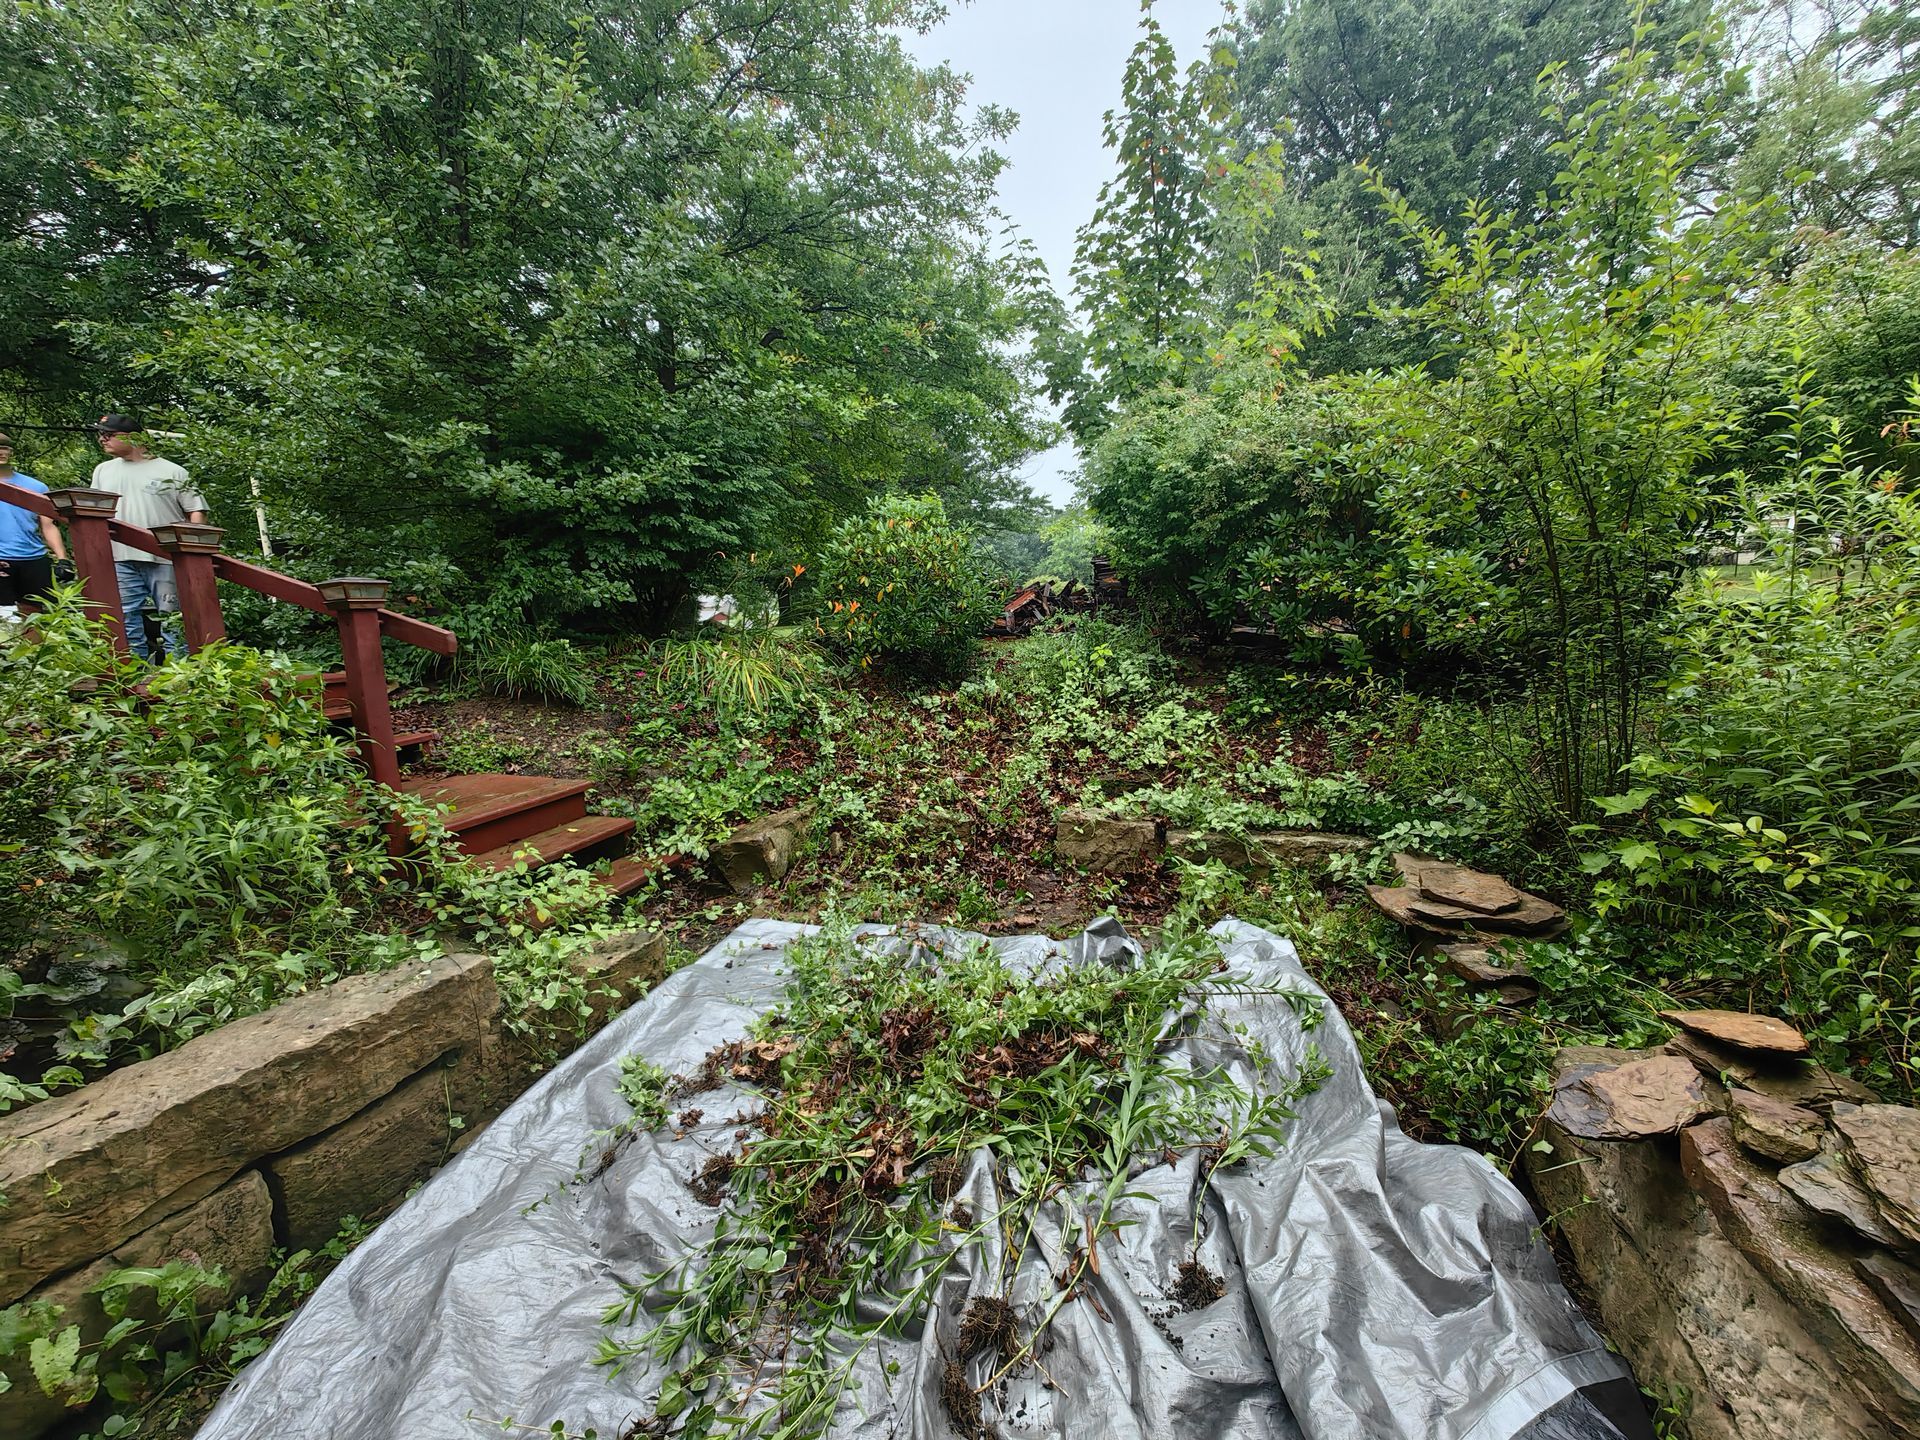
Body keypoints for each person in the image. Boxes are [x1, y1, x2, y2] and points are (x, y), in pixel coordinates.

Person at [90, 413, 208, 662]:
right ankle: (133, 674)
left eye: (108, 434)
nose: (102, 439)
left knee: (172, 618)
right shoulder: (102, 471)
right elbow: (93, 512)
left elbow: (196, 510)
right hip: (120, 558)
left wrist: (192, 553)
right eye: (101, 434)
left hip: (165, 558)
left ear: (132, 437)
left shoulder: (172, 471)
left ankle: (178, 676)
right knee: (124, 618)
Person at [0, 430, 73, 622]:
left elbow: (48, 525)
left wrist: (62, 559)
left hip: (33, 558)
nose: (0, 452)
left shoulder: (35, 487)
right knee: (4, 617)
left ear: (11, 452)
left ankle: (34, 651)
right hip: (1, 557)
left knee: (34, 614)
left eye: (4, 448)